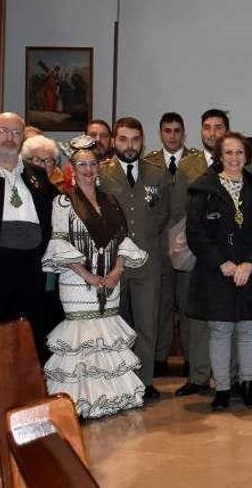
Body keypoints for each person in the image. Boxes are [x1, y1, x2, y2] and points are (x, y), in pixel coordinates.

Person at [42, 140, 147, 419]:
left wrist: (116, 272)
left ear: (98, 167)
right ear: (72, 169)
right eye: (81, 164)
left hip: (110, 281)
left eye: (92, 164)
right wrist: (88, 275)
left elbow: (123, 240)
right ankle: (78, 403)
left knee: (106, 335)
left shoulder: (110, 200)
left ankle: (109, 399)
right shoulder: (63, 202)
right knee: (83, 339)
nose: (88, 169)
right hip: (77, 282)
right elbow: (59, 242)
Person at [186, 132, 252, 410]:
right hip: (217, 272)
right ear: (219, 156)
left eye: (239, 153)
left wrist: (249, 263)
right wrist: (221, 263)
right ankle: (222, 388)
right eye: (229, 153)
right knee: (221, 329)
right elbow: (195, 232)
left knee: (250, 329)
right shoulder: (203, 189)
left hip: (251, 271)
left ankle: (248, 384)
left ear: (246, 156)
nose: (234, 158)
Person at [98, 117, 170, 400]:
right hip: (112, 262)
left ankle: (144, 381)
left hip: (148, 261)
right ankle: (116, 380)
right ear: (114, 141)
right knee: (113, 323)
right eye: (124, 139)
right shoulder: (102, 173)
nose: (130, 145)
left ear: (143, 141)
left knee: (146, 325)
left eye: (135, 139)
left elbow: (163, 213)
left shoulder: (157, 174)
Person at [0, 112, 56, 361]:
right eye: (2, 131)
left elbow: (59, 208)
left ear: (23, 137)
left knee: (29, 336)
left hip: (31, 268)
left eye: (15, 132)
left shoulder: (38, 175)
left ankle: (26, 396)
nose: (9, 138)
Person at [170, 109, 227, 397]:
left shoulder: (240, 160)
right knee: (196, 317)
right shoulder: (187, 166)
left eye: (219, 127)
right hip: (195, 251)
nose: (213, 133)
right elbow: (178, 211)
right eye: (207, 127)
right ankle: (198, 376)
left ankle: (228, 378)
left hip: (228, 253)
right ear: (201, 131)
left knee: (228, 317)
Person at [143, 112, 203, 377]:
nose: (172, 136)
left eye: (177, 130)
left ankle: (192, 360)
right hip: (158, 245)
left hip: (188, 245)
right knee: (161, 305)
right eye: (167, 131)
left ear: (184, 133)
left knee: (189, 303)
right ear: (160, 133)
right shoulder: (148, 163)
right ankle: (158, 358)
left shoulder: (196, 162)